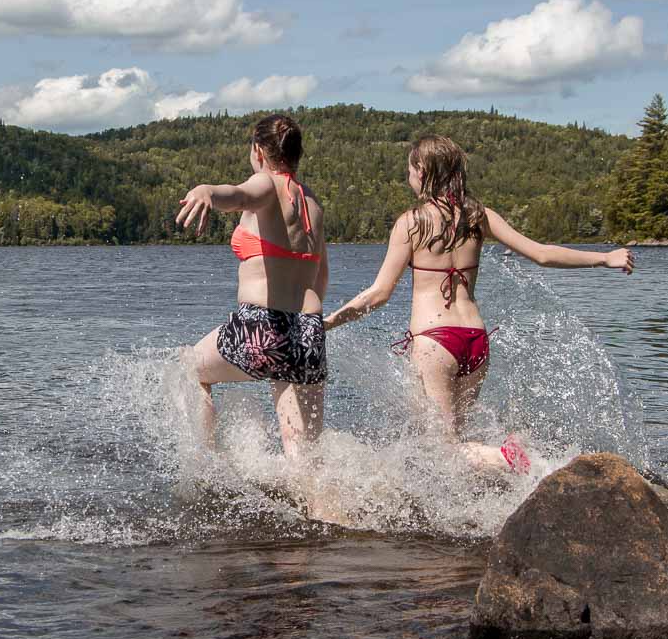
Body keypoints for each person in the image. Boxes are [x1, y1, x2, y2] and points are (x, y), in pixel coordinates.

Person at [323, 134, 633, 474]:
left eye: (410, 170)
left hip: (435, 342)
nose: (408, 177)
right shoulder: (479, 216)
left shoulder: (411, 222)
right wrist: (604, 257)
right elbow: (542, 254)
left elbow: (379, 293)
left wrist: (327, 323)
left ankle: (508, 457)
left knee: (442, 449)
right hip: (475, 340)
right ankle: (513, 470)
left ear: (422, 170)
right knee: (457, 438)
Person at [177, 114, 328, 461]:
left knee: (189, 367)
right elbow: (321, 275)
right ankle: (319, 494)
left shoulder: (266, 183)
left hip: (263, 324)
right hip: (308, 330)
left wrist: (207, 191)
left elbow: (241, 195)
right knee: (304, 454)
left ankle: (207, 469)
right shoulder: (312, 202)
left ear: (259, 150)